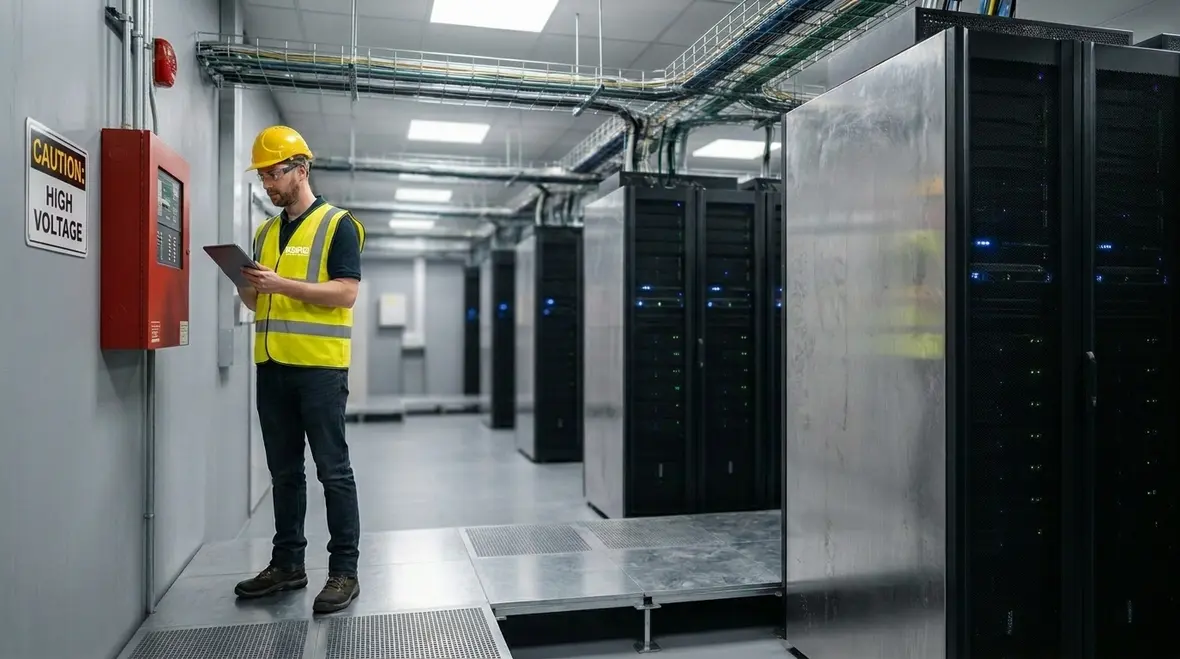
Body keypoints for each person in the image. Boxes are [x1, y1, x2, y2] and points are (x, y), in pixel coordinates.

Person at [232, 125, 366, 613]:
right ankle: (287, 565)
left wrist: (280, 285)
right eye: (263, 175)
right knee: (284, 473)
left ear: (300, 170)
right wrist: (247, 283)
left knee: (333, 472)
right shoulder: (265, 232)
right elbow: (257, 298)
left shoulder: (338, 224)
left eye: (273, 173)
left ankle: (344, 572)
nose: (267, 184)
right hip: (271, 367)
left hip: (319, 371)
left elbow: (346, 292)